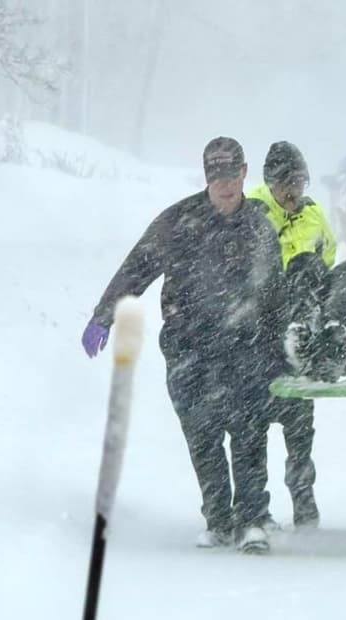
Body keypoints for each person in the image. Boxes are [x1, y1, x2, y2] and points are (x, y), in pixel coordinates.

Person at [80, 137, 287, 554]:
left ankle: (251, 520)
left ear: (244, 173)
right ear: (207, 178)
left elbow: (276, 299)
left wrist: (278, 353)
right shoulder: (178, 222)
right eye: (217, 177)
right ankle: (218, 519)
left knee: (249, 434)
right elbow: (137, 267)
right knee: (203, 434)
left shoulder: (259, 228)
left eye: (232, 175)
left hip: (244, 346)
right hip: (188, 345)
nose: (225, 185)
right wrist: (104, 314)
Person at [246, 141, 337, 529]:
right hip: (260, 326)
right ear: (270, 182)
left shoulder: (313, 214)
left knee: (300, 425)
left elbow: (327, 257)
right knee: (254, 425)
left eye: (299, 180)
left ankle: (303, 497)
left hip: (299, 325)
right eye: (286, 182)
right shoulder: (253, 212)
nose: (293, 189)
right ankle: (256, 508)